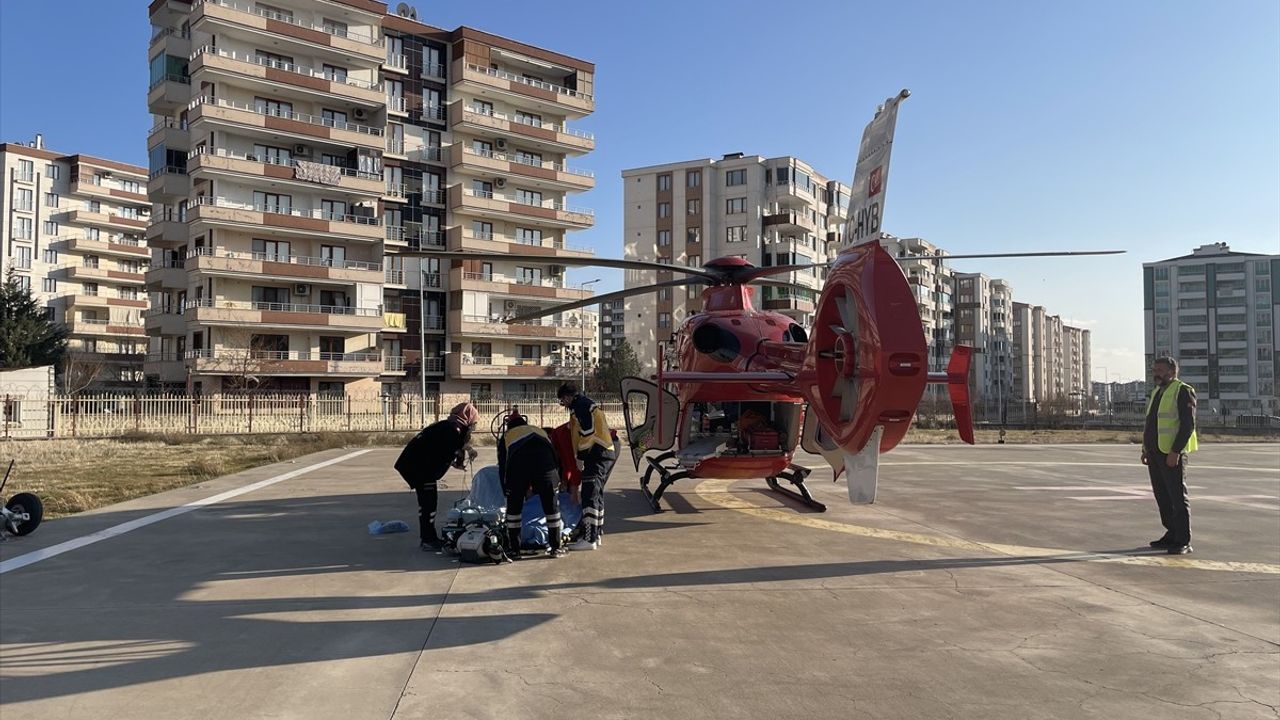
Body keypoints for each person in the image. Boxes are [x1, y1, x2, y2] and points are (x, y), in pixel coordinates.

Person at [395, 402, 479, 551]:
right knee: (428, 503)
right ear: (467, 418)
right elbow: (455, 445)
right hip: (419, 468)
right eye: (473, 423)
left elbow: (445, 450)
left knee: (427, 503)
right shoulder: (452, 429)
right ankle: (428, 539)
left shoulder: (448, 426)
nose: (472, 427)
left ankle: (428, 538)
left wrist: (457, 462)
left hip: (418, 466)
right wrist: (469, 450)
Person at [1141, 356, 1198, 555]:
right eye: (1154, 369)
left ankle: (1183, 540)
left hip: (1171, 453)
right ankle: (1171, 533)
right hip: (1155, 452)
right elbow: (1151, 424)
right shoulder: (1157, 392)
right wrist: (1145, 449)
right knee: (1162, 496)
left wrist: (1176, 451)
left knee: (1177, 498)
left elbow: (1188, 425)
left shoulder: (1183, 390)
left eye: (1160, 370)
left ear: (1172, 372)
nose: (1156, 373)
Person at [497, 411, 566, 559]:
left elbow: (504, 466)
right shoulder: (539, 431)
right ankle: (556, 548)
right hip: (546, 467)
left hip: (518, 468)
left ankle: (515, 550)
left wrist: (507, 490)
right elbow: (556, 456)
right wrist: (557, 480)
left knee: (514, 511)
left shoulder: (507, 436)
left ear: (509, 427)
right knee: (552, 508)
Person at [557, 382, 617, 551]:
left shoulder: (581, 406)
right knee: (596, 495)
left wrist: (581, 457)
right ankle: (596, 535)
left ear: (568, 397)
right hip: (603, 452)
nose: (563, 404)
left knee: (589, 495)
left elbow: (587, 434)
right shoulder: (586, 404)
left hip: (596, 454)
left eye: (562, 400)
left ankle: (589, 538)